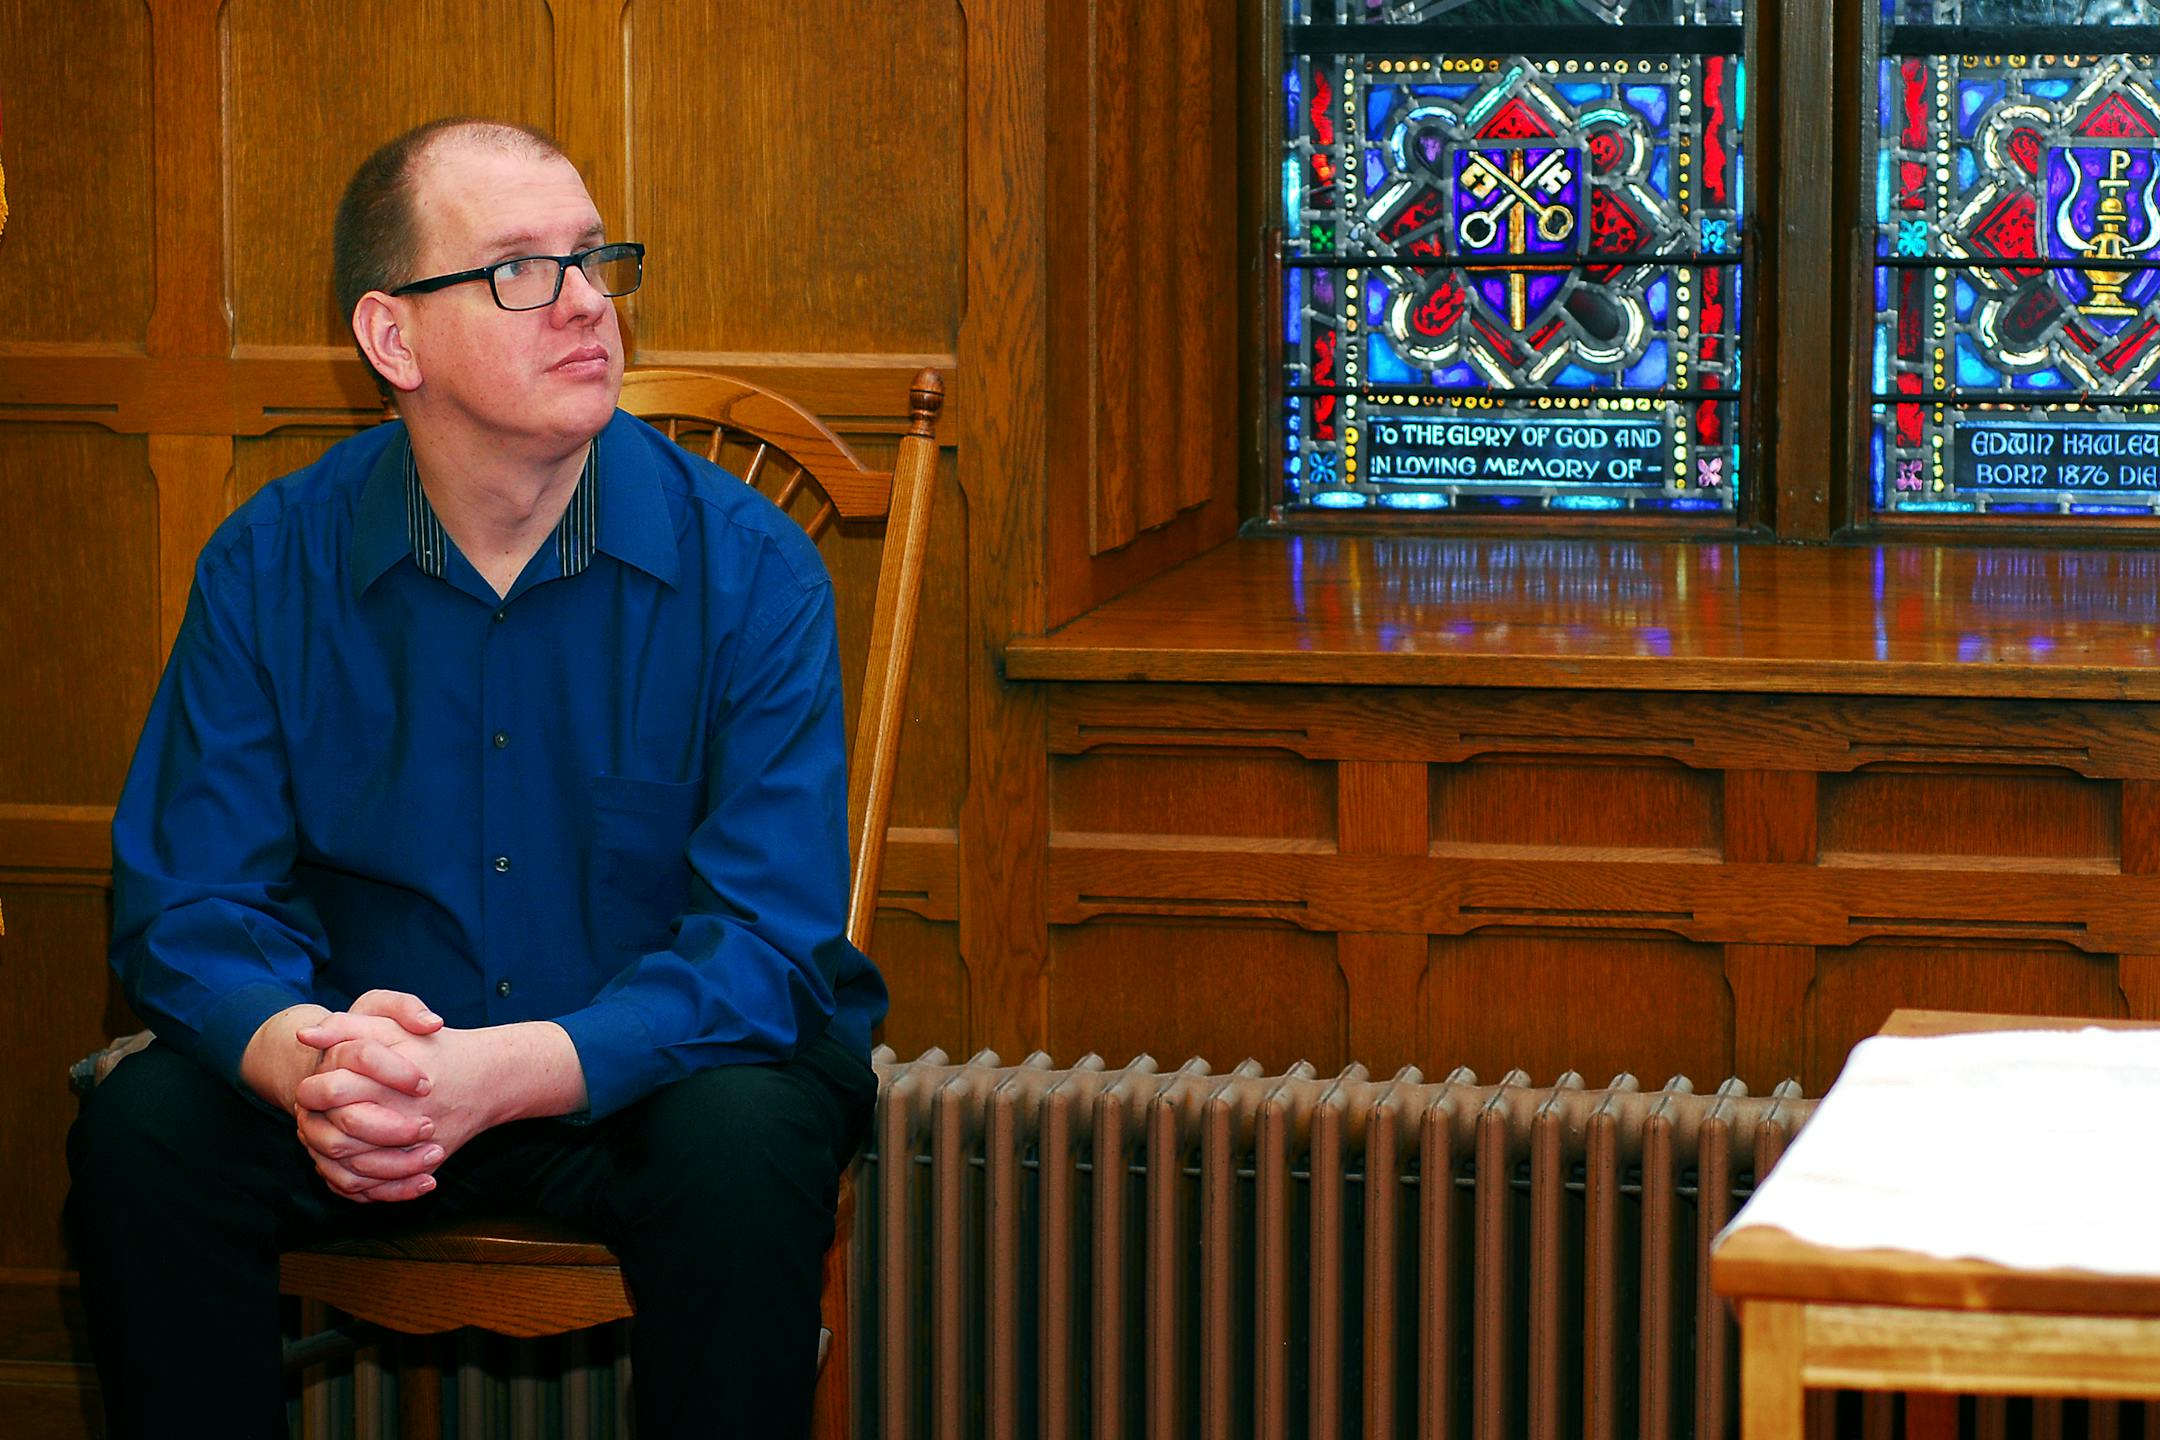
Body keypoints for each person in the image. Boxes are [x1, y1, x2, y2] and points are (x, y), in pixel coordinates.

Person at [65, 116, 885, 1438]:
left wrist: (503, 1073)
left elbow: (769, 944)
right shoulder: (269, 564)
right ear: (392, 339)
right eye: (518, 270)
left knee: (748, 1139)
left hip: (648, 1086)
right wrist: (305, 1061)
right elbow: (189, 900)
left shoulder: (751, 571)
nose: (587, 304)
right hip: (364, 1081)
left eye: (594, 258)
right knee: (143, 1134)